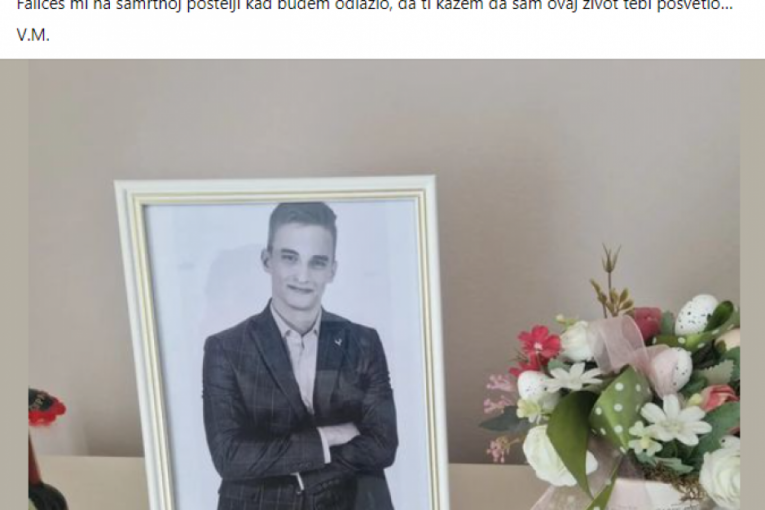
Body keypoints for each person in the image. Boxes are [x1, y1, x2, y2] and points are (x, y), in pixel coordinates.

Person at [203, 202, 398, 510]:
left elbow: (383, 444)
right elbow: (229, 456)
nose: (303, 276)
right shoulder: (225, 348)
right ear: (267, 259)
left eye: (317, 263)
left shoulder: (363, 341)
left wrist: (308, 476)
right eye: (290, 258)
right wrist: (326, 437)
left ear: (332, 270)